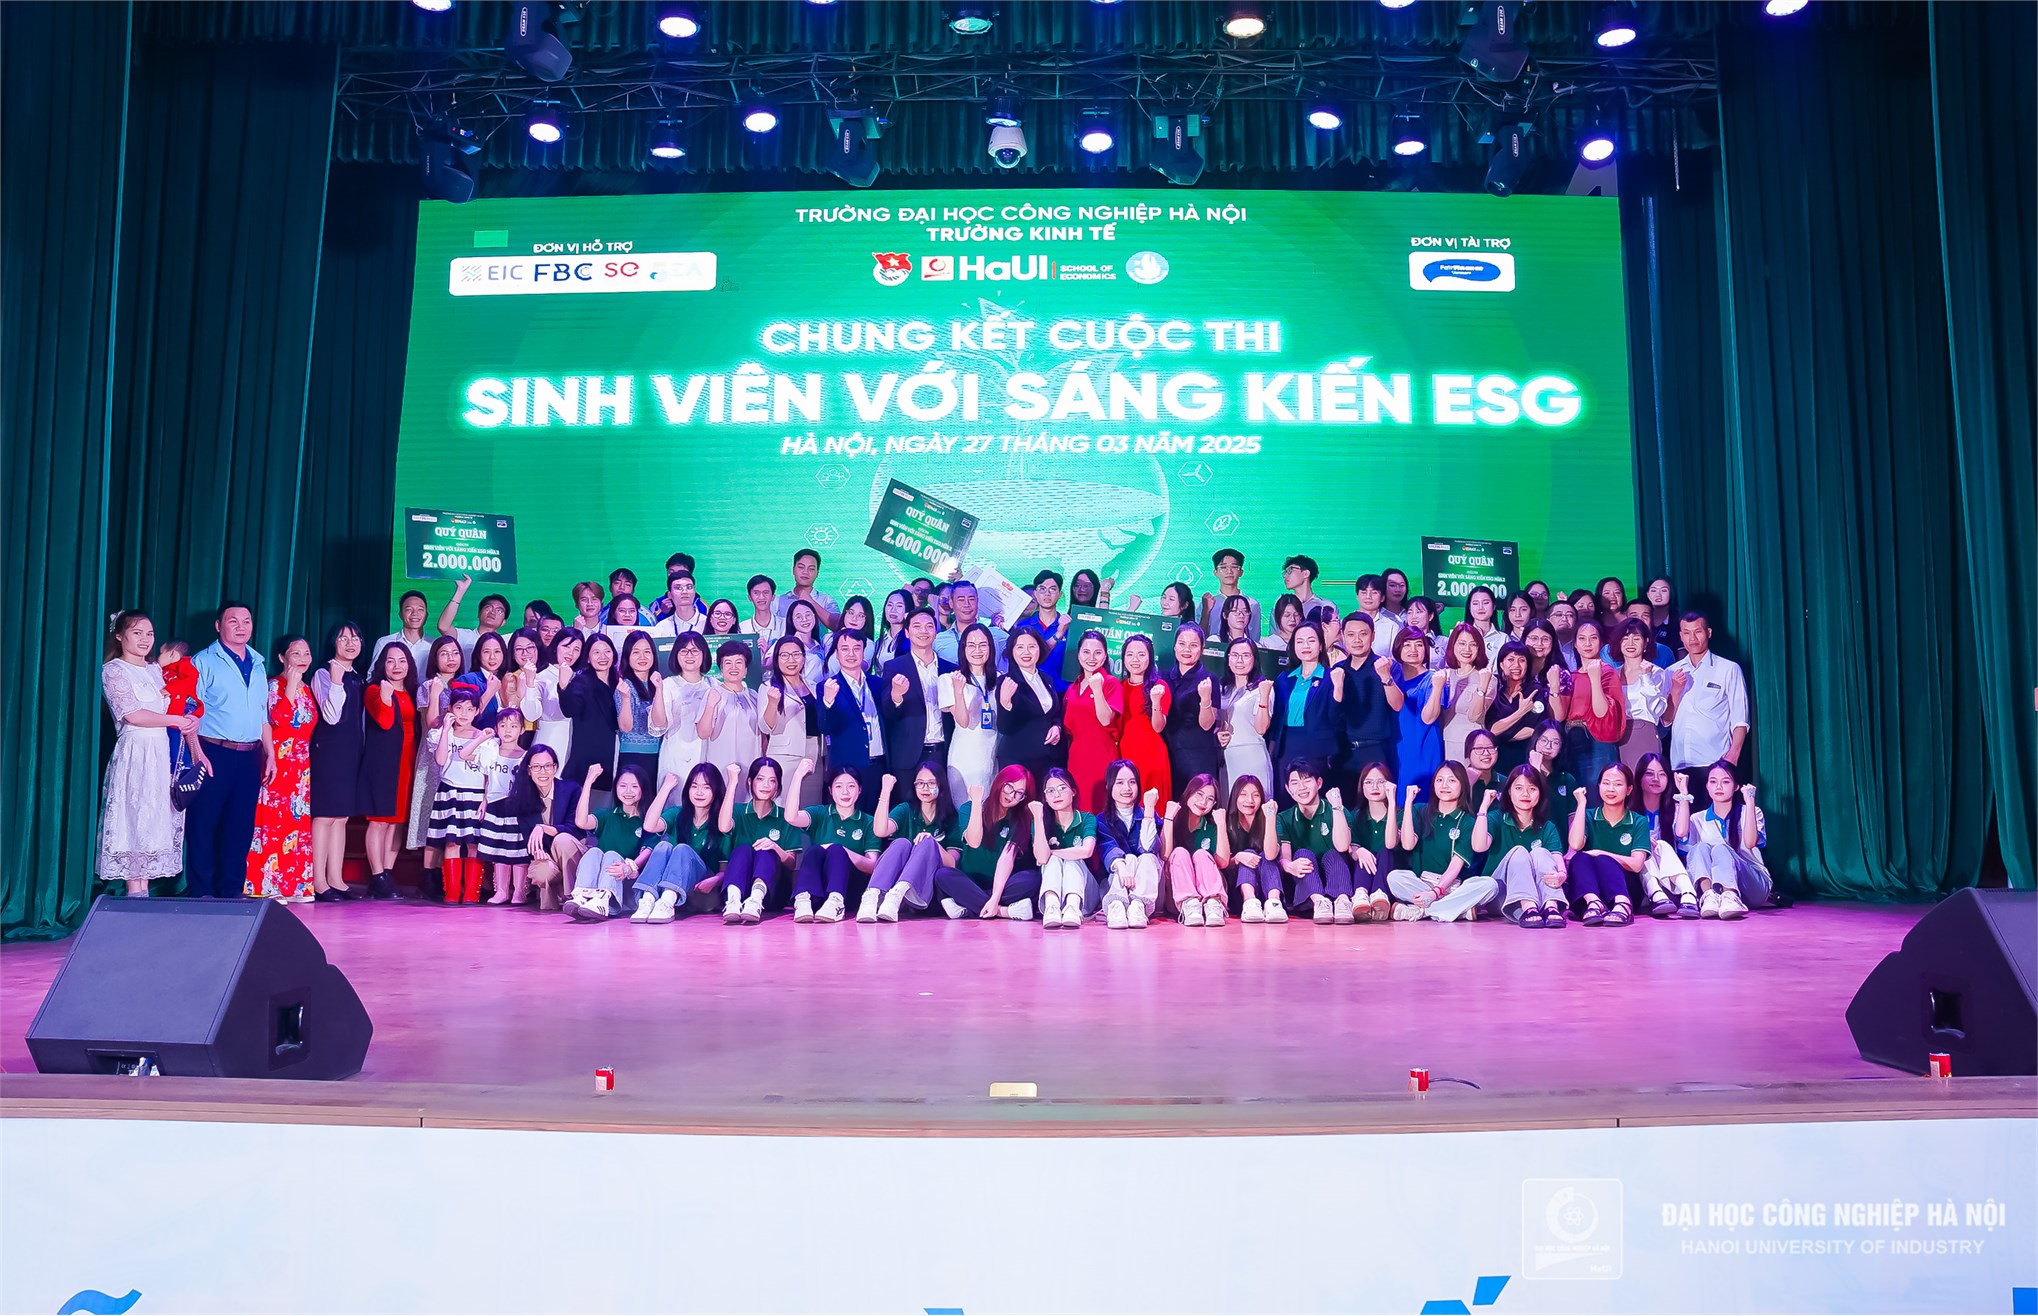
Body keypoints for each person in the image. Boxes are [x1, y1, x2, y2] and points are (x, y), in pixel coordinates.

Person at [98, 611, 196, 897]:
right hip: (136, 752)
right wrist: (176, 720)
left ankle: (143, 892)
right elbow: (133, 715)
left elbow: (174, 704)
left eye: (149, 634)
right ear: (119, 636)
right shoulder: (114, 670)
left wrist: (190, 719)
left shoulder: (153, 670)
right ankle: (134, 892)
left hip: (160, 752)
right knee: (134, 817)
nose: (145, 639)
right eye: (137, 633)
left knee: (153, 819)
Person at [187, 602, 268, 899]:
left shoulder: (258, 663)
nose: (241, 626)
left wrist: (270, 753)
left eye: (247, 620)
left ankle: (231, 890)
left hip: (250, 755)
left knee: (240, 824)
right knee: (204, 823)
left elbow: (262, 713)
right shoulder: (203, 661)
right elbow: (189, 712)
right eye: (233, 621)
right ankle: (202, 891)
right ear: (218, 626)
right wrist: (197, 754)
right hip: (213, 751)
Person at [246, 636, 317, 903]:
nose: (302, 658)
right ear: (282, 658)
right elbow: (278, 719)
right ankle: (266, 884)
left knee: (295, 825)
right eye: (295, 653)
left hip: (300, 767)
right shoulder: (274, 686)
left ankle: (295, 885)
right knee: (272, 823)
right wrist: (290, 689)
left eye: (306, 653)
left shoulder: (307, 689)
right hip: (277, 762)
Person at [1386, 763, 1497, 923]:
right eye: (1439, 780)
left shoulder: (1467, 821)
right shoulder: (1420, 810)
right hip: (1422, 883)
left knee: (1490, 885)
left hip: (1454, 887)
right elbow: (1407, 844)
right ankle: (1455, 911)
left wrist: (1436, 893)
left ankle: (1423, 911)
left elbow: (1455, 866)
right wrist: (1408, 803)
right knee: (1395, 877)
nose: (1444, 785)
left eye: (1451, 780)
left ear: (1462, 785)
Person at [930, 766, 1041, 921]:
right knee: (943, 875)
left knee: (1033, 879)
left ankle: (970, 906)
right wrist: (976, 803)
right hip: (971, 881)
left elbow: (1006, 858)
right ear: (999, 782)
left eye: (1019, 793)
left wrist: (995, 897)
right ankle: (1005, 911)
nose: (1011, 795)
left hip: (1002, 884)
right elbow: (974, 842)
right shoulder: (968, 809)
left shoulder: (1019, 819)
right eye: (1009, 787)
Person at [308, 622, 367, 901]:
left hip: (351, 751)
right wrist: (335, 681)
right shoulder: (324, 673)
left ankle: (336, 879)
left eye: (355, 638)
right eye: (343, 639)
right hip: (329, 751)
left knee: (341, 817)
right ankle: (318, 881)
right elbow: (331, 716)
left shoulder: (357, 677)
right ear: (333, 642)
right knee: (325, 816)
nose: (350, 643)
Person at [717, 757, 812, 923]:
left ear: (778, 785)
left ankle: (755, 899)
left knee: (765, 850)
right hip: (741, 887)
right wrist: (732, 783)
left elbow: (791, 863)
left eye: (772, 781)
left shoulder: (784, 817)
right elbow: (724, 827)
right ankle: (733, 901)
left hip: (771, 893)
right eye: (760, 779)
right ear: (750, 781)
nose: (766, 785)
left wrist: (775, 847)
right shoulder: (738, 811)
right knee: (743, 849)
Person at [788, 767, 889, 923]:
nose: (845, 792)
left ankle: (836, 901)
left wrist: (843, 850)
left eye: (851, 786)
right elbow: (791, 817)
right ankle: (803, 900)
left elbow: (872, 866)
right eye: (839, 786)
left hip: (849, 890)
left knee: (836, 850)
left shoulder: (869, 822)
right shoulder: (820, 813)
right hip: (819, 891)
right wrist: (798, 775)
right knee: (814, 851)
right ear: (830, 790)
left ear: (860, 790)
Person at [426, 674, 493, 905]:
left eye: (469, 709)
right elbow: (440, 760)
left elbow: (487, 774)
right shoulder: (441, 733)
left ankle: (472, 892)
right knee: (452, 842)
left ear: (477, 711)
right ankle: (452, 891)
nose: (464, 713)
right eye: (459, 707)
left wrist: (485, 799)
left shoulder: (484, 737)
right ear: (450, 709)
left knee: (473, 842)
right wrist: (445, 729)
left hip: (475, 795)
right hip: (450, 793)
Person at [1673, 760, 1772, 919]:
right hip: (1716, 891)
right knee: (1699, 848)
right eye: (1713, 782)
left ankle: (1730, 895)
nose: (1718, 787)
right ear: (1707, 786)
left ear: (1736, 787)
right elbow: (1680, 833)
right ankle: (1708, 896)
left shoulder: (1750, 811)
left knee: (1721, 848)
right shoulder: (1698, 819)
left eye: (1725, 782)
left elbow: (1750, 843)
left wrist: (1750, 801)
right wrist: (1683, 793)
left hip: (1753, 886)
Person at [633, 763, 729, 922]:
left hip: (703, 893)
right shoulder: (677, 813)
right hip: (675, 892)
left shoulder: (722, 822)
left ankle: (667, 902)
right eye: (694, 786)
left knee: (682, 849)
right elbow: (649, 826)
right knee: (663, 846)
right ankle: (648, 900)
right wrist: (665, 788)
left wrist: (714, 880)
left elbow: (724, 869)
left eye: (706, 787)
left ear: (716, 790)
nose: (699, 792)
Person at [1476, 765, 1569, 928]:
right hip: (1501, 895)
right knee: (1519, 851)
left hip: (1539, 896)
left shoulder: (1547, 827)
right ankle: (1528, 907)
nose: (1525, 794)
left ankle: (1551, 907)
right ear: (1509, 792)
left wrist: (1561, 875)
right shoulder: (1496, 818)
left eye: (1532, 789)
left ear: (1540, 793)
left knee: (1540, 852)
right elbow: (1479, 846)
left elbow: (1558, 862)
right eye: (1518, 788)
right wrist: (1483, 807)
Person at [359, 641, 416, 900]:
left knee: (397, 821)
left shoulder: (411, 691)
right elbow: (384, 721)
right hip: (383, 763)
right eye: (390, 661)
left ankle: (387, 873)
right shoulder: (374, 689)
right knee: (380, 821)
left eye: (402, 660)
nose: (396, 666)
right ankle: (377, 875)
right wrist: (385, 695)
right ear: (382, 664)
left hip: (407, 761)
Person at [564, 762, 654, 922]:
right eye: (623, 786)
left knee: (612, 855)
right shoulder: (607, 815)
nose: (628, 791)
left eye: (634, 786)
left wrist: (629, 867)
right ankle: (582, 896)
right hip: (598, 882)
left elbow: (648, 851)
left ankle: (604, 900)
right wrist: (588, 782)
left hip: (625, 884)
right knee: (593, 851)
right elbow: (581, 822)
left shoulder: (648, 821)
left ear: (643, 789)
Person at [863, 761, 952, 922]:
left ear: (941, 785)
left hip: (925, 892)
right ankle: (872, 896)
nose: (925, 788)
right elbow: (880, 831)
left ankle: (899, 892)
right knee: (901, 843)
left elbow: (952, 863)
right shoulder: (906, 809)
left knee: (926, 841)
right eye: (920, 783)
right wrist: (885, 792)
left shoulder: (951, 817)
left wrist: (932, 843)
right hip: (891, 897)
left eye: (931, 783)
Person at [1565, 761, 1646, 927]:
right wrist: (1581, 804)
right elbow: (1575, 844)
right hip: (1589, 893)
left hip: (1624, 891)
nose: (1611, 789)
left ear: (1629, 789)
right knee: (1579, 858)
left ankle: (1623, 906)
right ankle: (1594, 904)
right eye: (1606, 783)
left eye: (1618, 784)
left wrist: (1600, 853)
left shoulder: (1638, 821)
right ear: (1599, 786)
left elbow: (1637, 865)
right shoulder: (1588, 815)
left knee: (1603, 860)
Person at [507, 746, 588, 913]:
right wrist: (538, 853)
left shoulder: (571, 790)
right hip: (548, 856)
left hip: (572, 853)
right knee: (542, 870)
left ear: (555, 767)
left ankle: (573, 895)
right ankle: (552, 902)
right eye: (536, 767)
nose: (542, 771)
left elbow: (575, 829)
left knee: (562, 839)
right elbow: (529, 841)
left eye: (547, 766)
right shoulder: (522, 799)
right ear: (529, 770)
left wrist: (543, 828)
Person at [879, 606, 954, 786]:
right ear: (907, 632)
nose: (923, 631)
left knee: (942, 803)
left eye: (929, 626)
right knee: (906, 803)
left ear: (936, 632)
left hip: (943, 753)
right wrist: (896, 696)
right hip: (908, 755)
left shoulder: (950, 669)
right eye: (917, 626)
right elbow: (887, 714)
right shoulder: (894, 667)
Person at [1666, 611, 1749, 770]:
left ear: (1708, 633)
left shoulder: (1728, 669)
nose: (1692, 638)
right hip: (1680, 762)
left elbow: (1740, 719)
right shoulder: (1671, 672)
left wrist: (1733, 755)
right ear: (1681, 636)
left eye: (1698, 631)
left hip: (1716, 762)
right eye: (1687, 633)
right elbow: (1666, 720)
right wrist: (1675, 691)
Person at [1276, 758, 1355, 924]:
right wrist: (1289, 866)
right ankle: (1319, 901)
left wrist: (1337, 807)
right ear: (1288, 789)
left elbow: (1343, 846)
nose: (1301, 787)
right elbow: (1285, 858)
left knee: (1334, 854)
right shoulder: (1284, 818)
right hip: (1307, 891)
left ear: (1319, 783)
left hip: (1336, 879)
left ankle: (1342, 900)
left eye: (1307, 780)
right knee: (1303, 854)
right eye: (1295, 783)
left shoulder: (1336, 809)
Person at [817, 632, 886, 808]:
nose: (851, 654)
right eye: (845, 649)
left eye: (857, 648)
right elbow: (825, 727)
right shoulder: (827, 686)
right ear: (836, 653)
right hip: (847, 769)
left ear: (864, 652)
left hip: (879, 764)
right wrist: (828, 702)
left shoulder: (878, 684)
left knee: (878, 818)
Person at [1094, 763, 1164, 929]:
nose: (1127, 788)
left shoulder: (1148, 814)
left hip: (1148, 889)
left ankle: (1137, 906)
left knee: (1147, 857)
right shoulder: (1101, 820)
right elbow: (1108, 848)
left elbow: (1147, 848)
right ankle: (1117, 905)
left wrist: (1149, 810)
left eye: (1132, 782)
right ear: (1109, 786)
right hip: (1114, 884)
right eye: (1120, 782)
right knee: (1129, 858)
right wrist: (1121, 866)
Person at [475, 709, 533, 903]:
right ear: (496, 728)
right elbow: (486, 778)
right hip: (495, 807)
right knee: (498, 850)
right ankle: (501, 891)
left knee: (518, 851)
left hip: (517, 808)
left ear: (522, 729)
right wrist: (484, 799)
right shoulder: (491, 752)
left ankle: (519, 891)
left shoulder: (526, 756)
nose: (508, 730)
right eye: (503, 725)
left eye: (513, 726)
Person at [1061, 629, 1123, 810]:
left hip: (1101, 756)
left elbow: (1106, 720)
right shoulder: (1072, 688)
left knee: (1100, 807)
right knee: (1078, 807)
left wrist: (1097, 689)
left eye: (1097, 653)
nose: (1091, 658)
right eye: (1086, 652)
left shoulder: (1110, 683)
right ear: (1078, 654)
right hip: (1076, 758)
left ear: (1105, 656)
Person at [1631, 752, 1698, 918]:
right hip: (1637, 884)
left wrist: (1683, 792)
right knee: (1644, 847)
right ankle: (1657, 894)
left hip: (1670, 883)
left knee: (1661, 844)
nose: (1656, 779)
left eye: (1662, 774)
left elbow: (1681, 832)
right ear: (1639, 777)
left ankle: (1688, 893)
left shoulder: (1675, 808)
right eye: (1649, 774)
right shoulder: (1628, 811)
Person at [1274, 625, 1340, 792]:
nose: (1305, 646)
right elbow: (1277, 717)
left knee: (1312, 794)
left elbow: (1336, 717)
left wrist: (1339, 688)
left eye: (1311, 641)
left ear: (1320, 645)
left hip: (1316, 748)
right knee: (1287, 795)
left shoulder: (1330, 677)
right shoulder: (1284, 678)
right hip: (1287, 746)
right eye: (1300, 641)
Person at [1029, 768, 1097, 929]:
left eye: (1062, 788)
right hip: (1054, 891)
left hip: (1085, 893)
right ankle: (1051, 907)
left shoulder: (1086, 818)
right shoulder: (1041, 823)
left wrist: (1053, 852)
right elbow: (1041, 858)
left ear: (1073, 791)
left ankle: (1073, 907)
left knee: (1071, 860)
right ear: (1045, 797)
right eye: (1050, 791)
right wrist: (1037, 818)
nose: (1056, 795)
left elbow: (1087, 851)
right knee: (1052, 860)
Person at [943, 623, 1002, 803]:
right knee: (965, 808)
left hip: (992, 753)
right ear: (963, 648)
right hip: (965, 756)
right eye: (971, 645)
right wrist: (958, 691)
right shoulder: (949, 679)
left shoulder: (1000, 679)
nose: (977, 650)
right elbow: (963, 722)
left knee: (991, 809)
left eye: (983, 645)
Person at [1334, 615, 1395, 789]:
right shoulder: (1338, 670)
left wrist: (1386, 677)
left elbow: (1397, 705)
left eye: (1363, 634)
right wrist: (1338, 687)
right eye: (1351, 634)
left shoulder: (1385, 666)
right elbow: (1332, 714)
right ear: (1342, 636)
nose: (1357, 640)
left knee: (1376, 802)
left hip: (1376, 751)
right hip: (1343, 753)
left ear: (1373, 635)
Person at [1382, 630, 1447, 791]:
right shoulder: (1390, 677)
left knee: (1420, 797)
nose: (1413, 650)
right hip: (1394, 747)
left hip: (1423, 748)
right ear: (1398, 648)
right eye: (1407, 645)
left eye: (1419, 645)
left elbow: (1429, 718)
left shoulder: (1434, 679)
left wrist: (1437, 688)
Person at [1160, 773, 1229, 927]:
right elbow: (1165, 855)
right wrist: (1169, 818)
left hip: (1208, 898)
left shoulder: (1211, 828)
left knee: (1202, 854)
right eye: (1199, 794)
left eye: (1210, 799)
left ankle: (1213, 903)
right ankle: (1189, 903)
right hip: (1178, 899)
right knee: (1179, 852)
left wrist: (1221, 825)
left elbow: (1223, 862)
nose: (1203, 802)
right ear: (1189, 793)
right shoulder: (1174, 820)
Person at [996, 629, 1064, 782]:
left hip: (1047, 760)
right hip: (1018, 761)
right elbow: (1004, 728)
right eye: (1020, 647)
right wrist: (1005, 704)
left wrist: (1057, 727)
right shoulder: (1007, 681)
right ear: (1012, 651)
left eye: (1032, 646)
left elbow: (1055, 714)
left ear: (1040, 648)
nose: (1026, 652)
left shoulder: (1046, 679)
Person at [1564, 619, 1628, 784]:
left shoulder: (1607, 673)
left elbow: (1602, 713)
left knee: (1595, 789)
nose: (1587, 643)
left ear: (1601, 642)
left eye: (1593, 638)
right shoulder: (1572, 675)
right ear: (1575, 644)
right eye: (1582, 638)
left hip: (1597, 741)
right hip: (1571, 738)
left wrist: (1594, 679)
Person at [761, 636, 821, 808]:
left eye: (796, 654)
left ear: (803, 657)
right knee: (784, 806)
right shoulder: (768, 687)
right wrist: (772, 704)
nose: (791, 660)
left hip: (815, 754)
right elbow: (765, 727)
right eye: (785, 655)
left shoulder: (813, 686)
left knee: (810, 809)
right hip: (785, 756)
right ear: (776, 659)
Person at [699, 641, 764, 799]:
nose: (733, 667)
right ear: (721, 668)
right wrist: (710, 705)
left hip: (751, 761)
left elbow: (763, 734)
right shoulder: (713, 693)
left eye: (739, 662)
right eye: (728, 663)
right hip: (721, 762)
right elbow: (703, 733)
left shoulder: (755, 696)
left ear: (746, 669)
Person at [1161, 625, 1222, 794]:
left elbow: (1207, 725)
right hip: (1167, 755)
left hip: (1197, 757)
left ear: (1202, 648)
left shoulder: (1209, 680)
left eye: (1193, 645)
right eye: (1182, 644)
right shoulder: (1162, 677)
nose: (1186, 649)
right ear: (1174, 646)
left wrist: (1205, 698)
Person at [561, 633, 621, 799]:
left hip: (612, 756)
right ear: (587, 658)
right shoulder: (582, 682)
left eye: (607, 651)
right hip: (586, 761)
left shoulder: (618, 682)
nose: (603, 657)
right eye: (596, 652)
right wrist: (564, 687)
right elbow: (569, 709)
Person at [1115, 634, 1173, 797]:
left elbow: (1158, 727)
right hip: (1124, 753)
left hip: (1151, 755)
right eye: (1130, 654)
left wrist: (1156, 701)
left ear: (1150, 658)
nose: (1135, 659)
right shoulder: (1119, 687)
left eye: (1141, 654)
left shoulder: (1159, 686)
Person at [1216, 637, 1275, 795]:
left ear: (1254, 659)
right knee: (1230, 804)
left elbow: (1261, 728)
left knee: (1254, 801)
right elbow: (1218, 722)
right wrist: (1218, 734)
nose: (1239, 660)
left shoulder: (1262, 688)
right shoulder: (1223, 689)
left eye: (1245, 655)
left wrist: (1264, 697)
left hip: (1252, 754)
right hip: (1227, 757)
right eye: (1234, 655)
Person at [656, 633, 714, 787]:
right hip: (675, 756)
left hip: (707, 754)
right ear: (676, 655)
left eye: (695, 650)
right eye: (683, 651)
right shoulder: (667, 685)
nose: (689, 655)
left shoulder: (713, 685)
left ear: (704, 654)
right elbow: (659, 724)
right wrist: (658, 691)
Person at [1343, 761, 1397, 919]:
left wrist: (1392, 803)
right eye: (1369, 782)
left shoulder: (1400, 814)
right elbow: (1350, 848)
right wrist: (1358, 850)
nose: (1375, 787)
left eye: (1381, 782)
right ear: (1362, 786)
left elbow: (1391, 843)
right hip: (1364, 873)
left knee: (1386, 851)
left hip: (1389, 872)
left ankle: (1380, 895)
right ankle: (1361, 895)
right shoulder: (1355, 816)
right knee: (1363, 854)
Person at [1225, 778, 1282, 923]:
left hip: (1267, 885)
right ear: (1235, 797)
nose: (1249, 800)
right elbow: (1222, 863)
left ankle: (1274, 903)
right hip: (1238, 889)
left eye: (1256, 795)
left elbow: (1271, 854)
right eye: (1243, 794)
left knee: (1267, 858)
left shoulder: (1271, 819)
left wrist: (1270, 818)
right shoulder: (1226, 822)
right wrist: (1238, 857)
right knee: (1248, 854)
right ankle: (1249, 902)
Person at [1616, 618, 1670, 767]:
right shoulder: (1613, 674)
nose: (1630, 643)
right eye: (1625, 638)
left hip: (1642, 732)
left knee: (1641, 776)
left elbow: (1658, 710)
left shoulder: (1656, 673)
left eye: (1636, 638)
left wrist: (1646, 678)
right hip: (1615, 734)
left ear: (1646, 643)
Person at [1438, 624, 1495, 764]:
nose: (1467, 649)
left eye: (1473, 645)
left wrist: (1482, 687)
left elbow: (1474, 716)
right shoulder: (1444, 675)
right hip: (1441, 741)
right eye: (1462, 643)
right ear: (1452, 645)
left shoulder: (1487, 678)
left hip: (1471, 745)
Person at [1485, 641, 1546, 773]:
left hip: (1523, 753)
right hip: (1494, 755)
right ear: (1501, 664)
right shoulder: (1493, 688)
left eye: (1522, 660)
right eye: (1511, 660)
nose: (1516, 665)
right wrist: (1521, 711)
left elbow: (1533, 729)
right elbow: (1492, 729)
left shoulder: (1535, 691)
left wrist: (1500, 735)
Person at [521, 629, 581, 763]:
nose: (570, 653)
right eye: (566, 646)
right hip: (549, 741)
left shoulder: (580, 679)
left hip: (577, 744)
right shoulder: (542, 677)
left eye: (576, 649)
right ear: (555, 647)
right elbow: (531, 715)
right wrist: (530, 684)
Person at [436, 575, 510, 662]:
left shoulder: (505, 643)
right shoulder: (465, 637)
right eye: (488, 608)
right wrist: (460, 591)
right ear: (479, 613)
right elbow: (443, 627)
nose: (492, 612)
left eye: (499, 611)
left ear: (503, 622)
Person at [1013, 570, 1073, 677]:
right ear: (1035, 593)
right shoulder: (1023, 627)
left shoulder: (1069, 627)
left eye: (1052, 589)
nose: (1047, 594)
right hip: (1030, 685)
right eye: (1042, 589)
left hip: (1061, 687)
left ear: (1060, 594)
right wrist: (1058, 634)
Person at [1199, 548, 1262, 639]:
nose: (1229, 571)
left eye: (1234, 567)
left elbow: (1254, 637)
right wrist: (1206, 611)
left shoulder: (1252, 604)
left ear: (1241, 572)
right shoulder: (1207, 603)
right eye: (1223, 567)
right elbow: (1198, 636)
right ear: (1215, 572)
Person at [773, 548, 841, 629]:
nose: (805, 572)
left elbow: (837, 625)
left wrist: (810, 601)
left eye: (811, 569)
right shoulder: (778, 601)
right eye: (801, 567)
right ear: (793, 570)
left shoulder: (827, 600)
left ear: (817, 573)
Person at [374, 589, 433, 674]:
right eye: (409, 609)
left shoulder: (434, 644)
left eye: (420, 609)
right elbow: (372, 675)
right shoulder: (384, 642)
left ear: (426, 615)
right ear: (400, 614)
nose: (415, 613)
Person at [1352, 576, 1401, 657]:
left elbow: (1395, 658)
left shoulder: (1392, 627)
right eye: (1364, 592)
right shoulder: (1344, 624)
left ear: (1382, 598)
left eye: (1374, 592)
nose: (1368, 597)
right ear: (1357, 596)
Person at [1280, 555, 1334, 620]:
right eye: (1284, 573)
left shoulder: (1326, 606)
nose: (1285, 576)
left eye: (1289, 570)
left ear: (1306, 573)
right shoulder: (1280, 607)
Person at [873, 589, 913, 668]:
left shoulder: (913, 639)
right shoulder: (881, 641)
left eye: (899, 606)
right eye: (890, 605)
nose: (893, 610)